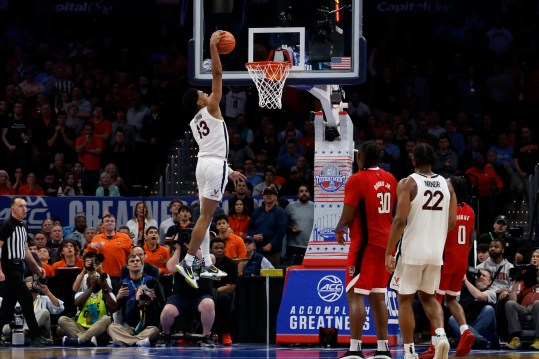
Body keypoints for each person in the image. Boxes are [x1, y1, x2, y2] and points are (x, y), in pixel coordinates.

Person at [177, 30, 245, 289]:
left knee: (205, 218)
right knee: (205, 218)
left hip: (206, 164)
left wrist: (229, 171)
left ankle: (205, 261)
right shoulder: (210, 108)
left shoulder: (196, 121)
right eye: (202, 94)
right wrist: (213, 46)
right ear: (198, 102)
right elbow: (217, 75)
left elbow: (214, 147)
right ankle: (189, 261)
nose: (207, 94)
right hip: (213, 163)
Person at [385, 143, 457, 359]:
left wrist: (389, 251)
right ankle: (441, 336)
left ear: (413, 160)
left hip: (412, 251)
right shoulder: (447, 185)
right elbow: (451, 222)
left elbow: (399, 220)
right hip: (435, 252)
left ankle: (409, 352)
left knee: (405, 299)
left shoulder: (408, 183)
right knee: (429, 298)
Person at [335, 140, 398, 359]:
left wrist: (339, 228)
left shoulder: (357, 179)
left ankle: (355, 349)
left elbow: (348, 212)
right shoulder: (390, 179)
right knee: (379, 296)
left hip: (365, 244)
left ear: (361, 157)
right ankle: (383, 349)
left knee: (355, 295)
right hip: (386, 244)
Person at [419, 176, 476, 359]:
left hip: (445, 260)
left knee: (433, 300)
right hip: (461, 261)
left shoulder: (445, 209)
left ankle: (435, 345)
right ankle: (465, 330)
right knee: (451, 300)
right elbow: (470, 241)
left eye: (448, 185)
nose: (444, 187)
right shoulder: (470, 211)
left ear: (454, 190)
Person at [0, 197, 53, 346]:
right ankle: (36, 336)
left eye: (25, 206)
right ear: (13, 209)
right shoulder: (6, 225)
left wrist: (36, 267)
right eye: (21, 206)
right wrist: (0, 270)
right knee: (27, 298)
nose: (25, 209)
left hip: (19, 267)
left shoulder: (23, 226)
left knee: (8, 306)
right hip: (9, 267)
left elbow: (25, 250)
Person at [160, 242, 216, 347]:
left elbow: (208, 262)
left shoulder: (208, 255)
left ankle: (206, 336)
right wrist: (178, 249)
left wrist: (193, 247)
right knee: (167, 311)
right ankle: (165, 334)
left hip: (201, 295)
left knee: (209, 304)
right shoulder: (180, 256)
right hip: (180, 296)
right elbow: (171, 268)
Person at [107, 254, 162, 347]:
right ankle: (139, 342)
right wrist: (118, 298)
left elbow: (161, 306)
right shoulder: (121, 284)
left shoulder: (152, 281)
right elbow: (114, 310)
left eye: (138, 261)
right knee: (111, 328)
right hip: (128, 327)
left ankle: (127, 341)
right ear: (127, 266)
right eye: (132, 261)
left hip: (148, 325)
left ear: (142, 264)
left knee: (154, 330)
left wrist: (154, 299)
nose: (135, 263)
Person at [58, 272, 118, 346]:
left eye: (97, 278)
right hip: (81, 328)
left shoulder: (108, 294)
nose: (96, 279)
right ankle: (86, 340)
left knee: (106, 319)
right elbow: (78, 303)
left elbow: (113, 309)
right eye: (93, 278)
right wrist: (91, 288)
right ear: (87, 284)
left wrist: (105, 290)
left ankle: (78, 340)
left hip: (99, 330)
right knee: (62, 319)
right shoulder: (80, 294)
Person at [0, 276, 64, 340]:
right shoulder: (17, 299)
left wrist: (48, 292)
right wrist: (22, 289)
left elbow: (59, 308)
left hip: (41, 333)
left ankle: (25, 333)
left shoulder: (43, 299)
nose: (32, 291)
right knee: (6, 327)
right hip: (18, 329)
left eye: (34, 286)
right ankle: (23, 335)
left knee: (44, 311)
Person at [505, 249, 539, 350]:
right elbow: (513, 299)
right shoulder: (525, 278)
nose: (535, 258)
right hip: (525, 308)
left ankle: (538, 339)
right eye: (533, 256)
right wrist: (516, 282)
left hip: (537, 307)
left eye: (538, 257)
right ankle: (516, 338)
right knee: (510, 304)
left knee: (538, 303)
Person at [248, 186, 288, 267]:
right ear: (263, 196)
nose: (268, 196)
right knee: (256, 274)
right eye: (266, 194)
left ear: (276, 196)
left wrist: (271, 244)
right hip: (257, 251)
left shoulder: (280, 212)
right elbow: (249, 228)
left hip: (273, 252)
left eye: (271, 194)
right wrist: (253, 236)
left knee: (272, 276)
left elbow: (281, 232)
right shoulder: (257, 211)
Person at [86, 213, 133, 280]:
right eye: (107, 221)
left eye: (112, 221)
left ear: (115, 224)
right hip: (102, 275)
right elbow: (88, 256)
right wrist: (90, 245)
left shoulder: (125, 237)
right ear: (102, 225)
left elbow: (131, 255)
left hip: (122, 275)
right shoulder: (96, 238)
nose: (110, 223)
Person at [210, 238, 238, 346]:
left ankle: (226, 333)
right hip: (207, 293)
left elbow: (231, 287)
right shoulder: (205, 263)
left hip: (222, 293)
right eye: (216, 248)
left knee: (223, 299)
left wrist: (215, 291)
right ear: (211, 249)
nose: (219, 250)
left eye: (221, 248)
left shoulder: (231, 264)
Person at [285, 184, 314, 264]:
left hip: (311, 247)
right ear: (297, 194)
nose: (304, 193)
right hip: (294, 246)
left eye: (306, 191)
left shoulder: (315, 207)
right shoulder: (290, 207)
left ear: (309, 194)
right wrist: (291, 228)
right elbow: (283, 224)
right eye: (301, 191)